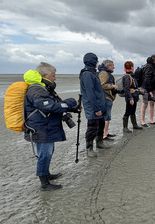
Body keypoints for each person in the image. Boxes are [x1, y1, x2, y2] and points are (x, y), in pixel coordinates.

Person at [23, 62, 78, 191]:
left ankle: (46, 174)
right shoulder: (36, 89)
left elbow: (54, 104)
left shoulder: (42, 88)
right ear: (45, 75)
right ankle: (44, 183)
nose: (55, 78)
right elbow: (49, 106)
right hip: (40, 127)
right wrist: (70, 102)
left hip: (44, 126)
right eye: (53, 76)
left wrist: (72, 108)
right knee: (45, 154)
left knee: (48, 151)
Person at [79, 52, 109, 158]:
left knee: (100, 125)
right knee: (92, 128)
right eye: (96, 60)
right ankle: (89, 149)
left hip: (99, 105)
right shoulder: (87, 74)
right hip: (93, 107)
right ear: (92, 61)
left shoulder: (92, 73)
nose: (97, 63)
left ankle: (99, 143)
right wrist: (96, 108)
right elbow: (90, 93)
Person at [98, 59, 117, 140]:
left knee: (107, 116)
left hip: (108, 98)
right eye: (113, 65)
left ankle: (106, 132)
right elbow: (101, 85)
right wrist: (112, 86)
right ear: (108, 66)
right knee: (107, 116)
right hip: (105, 98)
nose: (114, 67)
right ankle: (104, 135)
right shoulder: (104, 73)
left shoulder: (106, 73)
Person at [122, 61, 143, 132]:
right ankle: (125, 127)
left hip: (134, 96)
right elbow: (126, 89)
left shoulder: (131, 76)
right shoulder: (127, 77)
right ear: (131, 67)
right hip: (130, 97)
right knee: (128, 111)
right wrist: (130, 98)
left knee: (133, 111)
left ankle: (134, 125)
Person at [140, 54, 155, 126]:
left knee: (152, 103)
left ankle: (151, 120)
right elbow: (147, 79)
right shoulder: (149, 67)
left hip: (152, 88)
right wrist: (150, 91)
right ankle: (143, 121)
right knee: (145, 104)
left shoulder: (152, 66)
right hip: (146, 88)